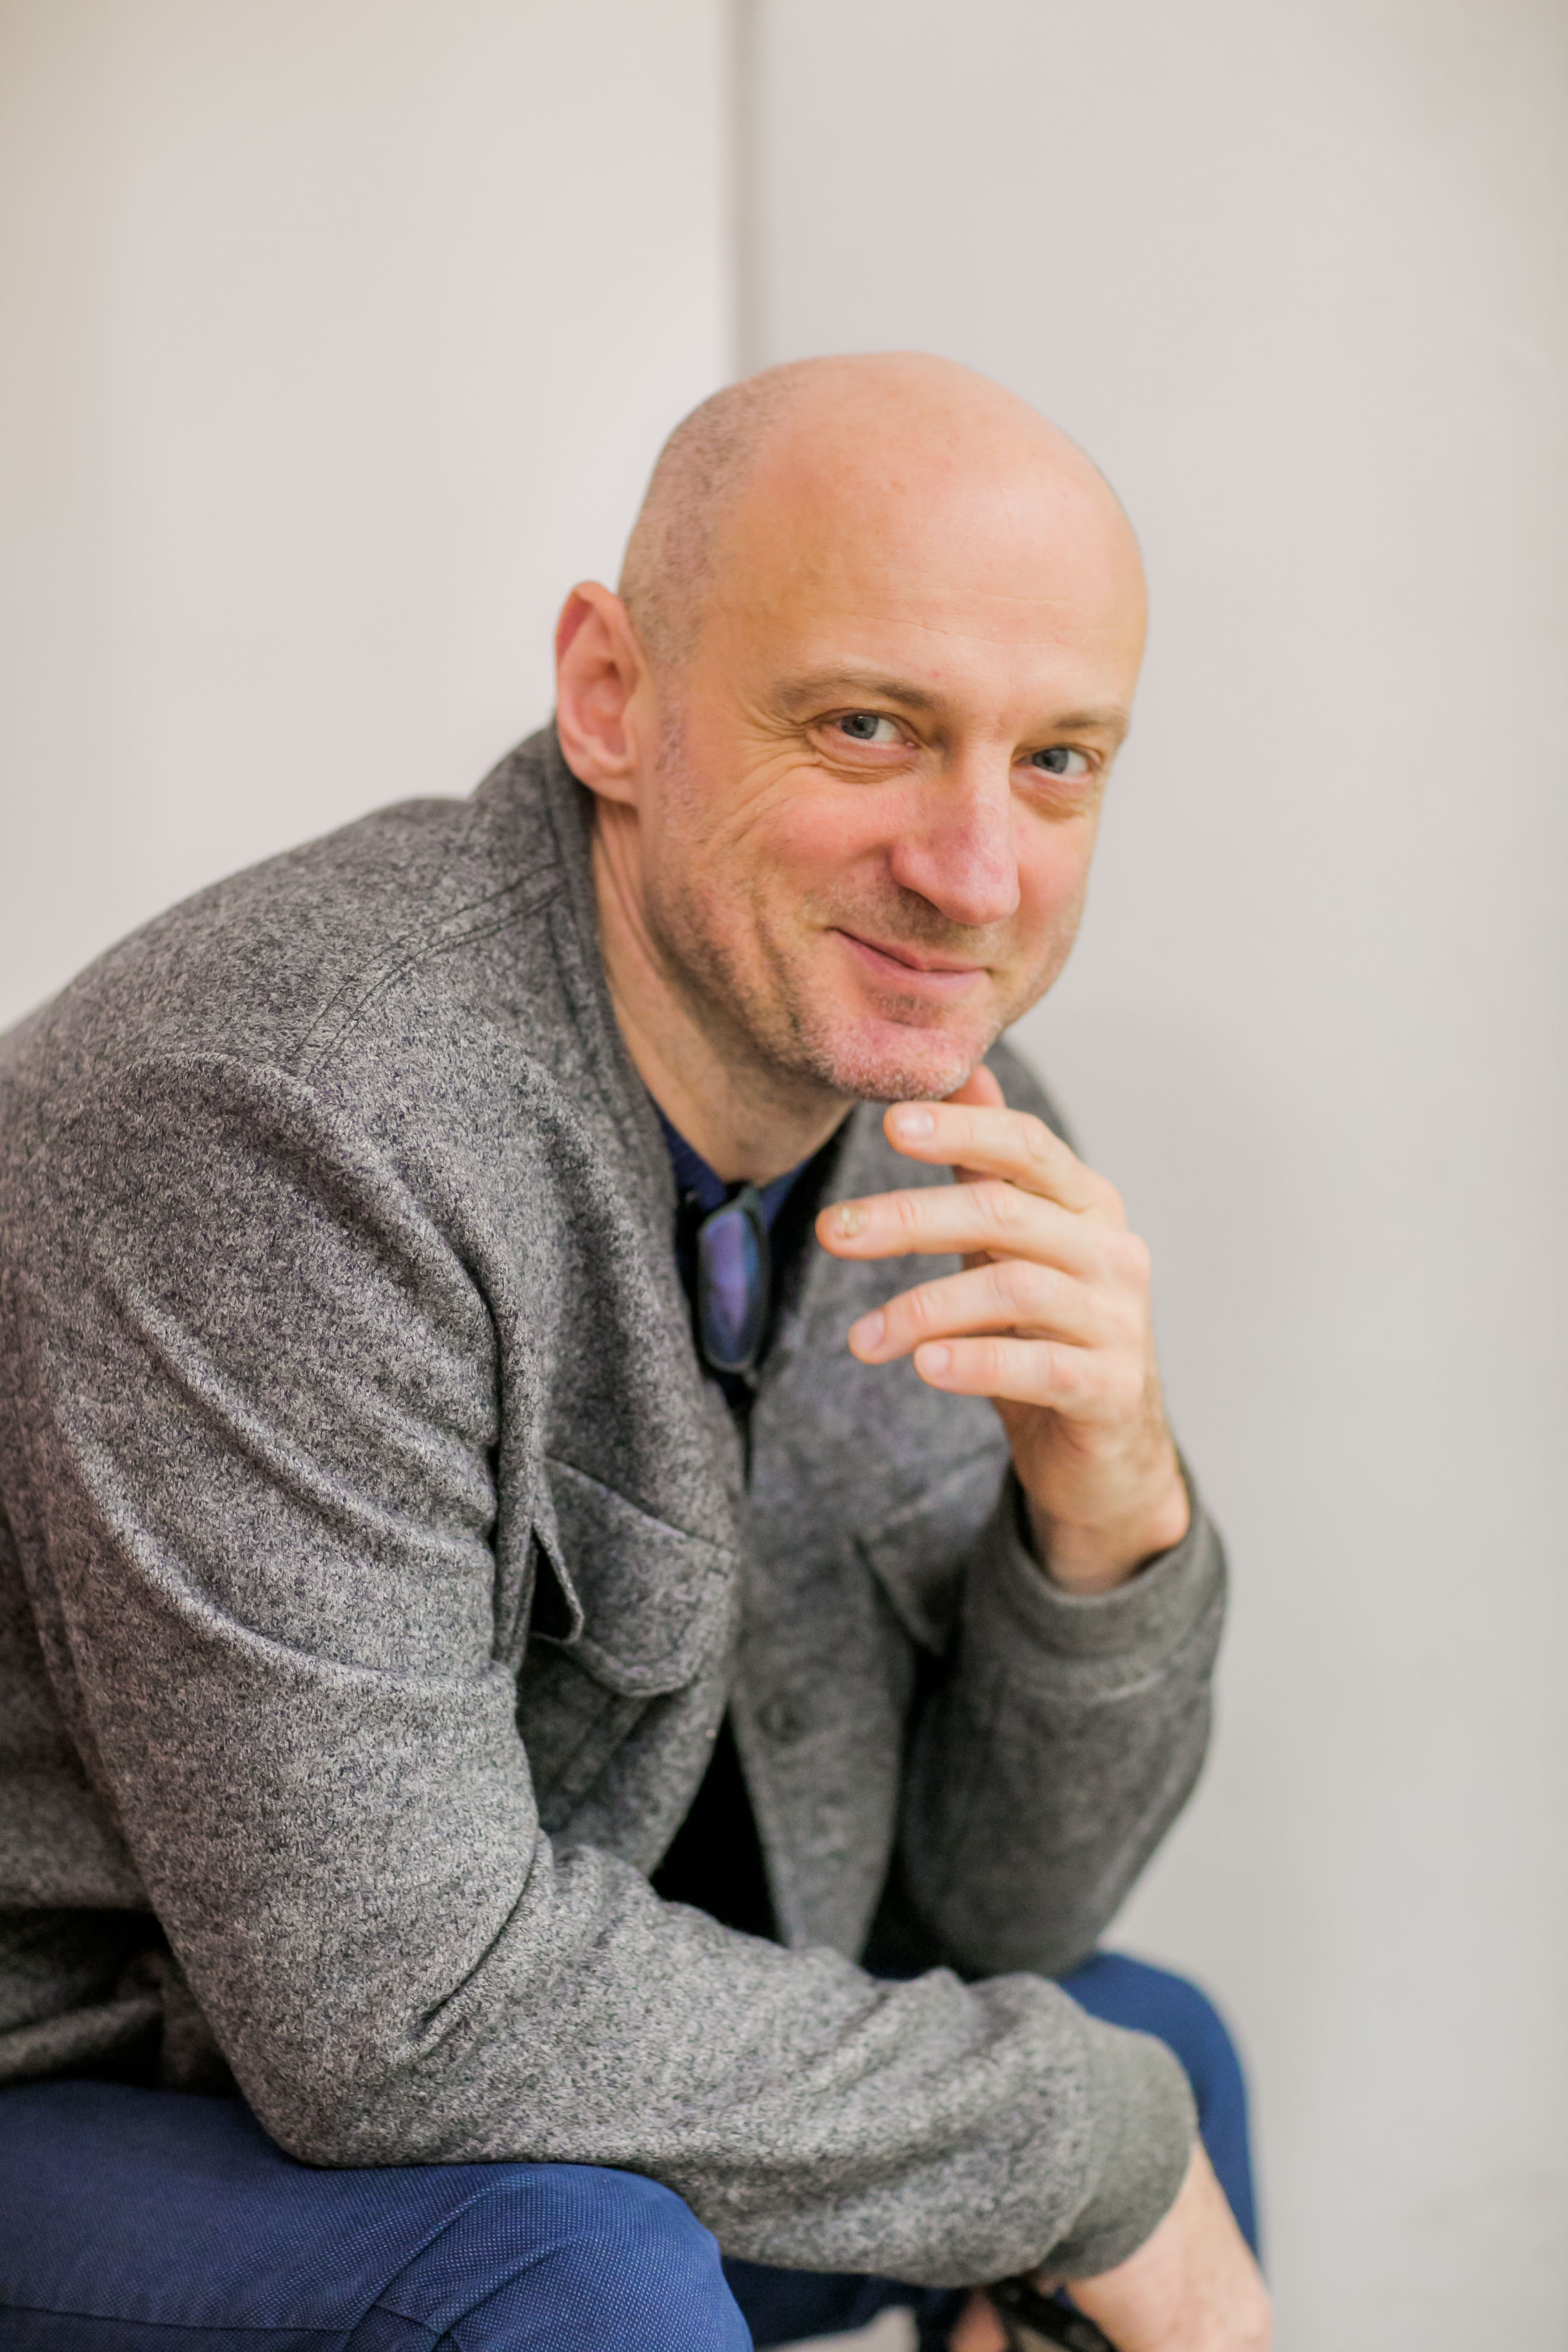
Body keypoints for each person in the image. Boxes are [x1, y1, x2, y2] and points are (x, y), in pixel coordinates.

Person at [0, 353, 1269, 2351]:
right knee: (583, 2268)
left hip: (425, 2078)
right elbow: (400, 2011)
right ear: (612, 696)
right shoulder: (287, 1117)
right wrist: (1072, 2151)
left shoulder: (946, 1125)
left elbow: (994, 1923)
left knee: (1142, 2043)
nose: (974, 873)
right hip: (81, 2086)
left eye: (1056, 762)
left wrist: (1104, 1520)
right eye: (869, 727)